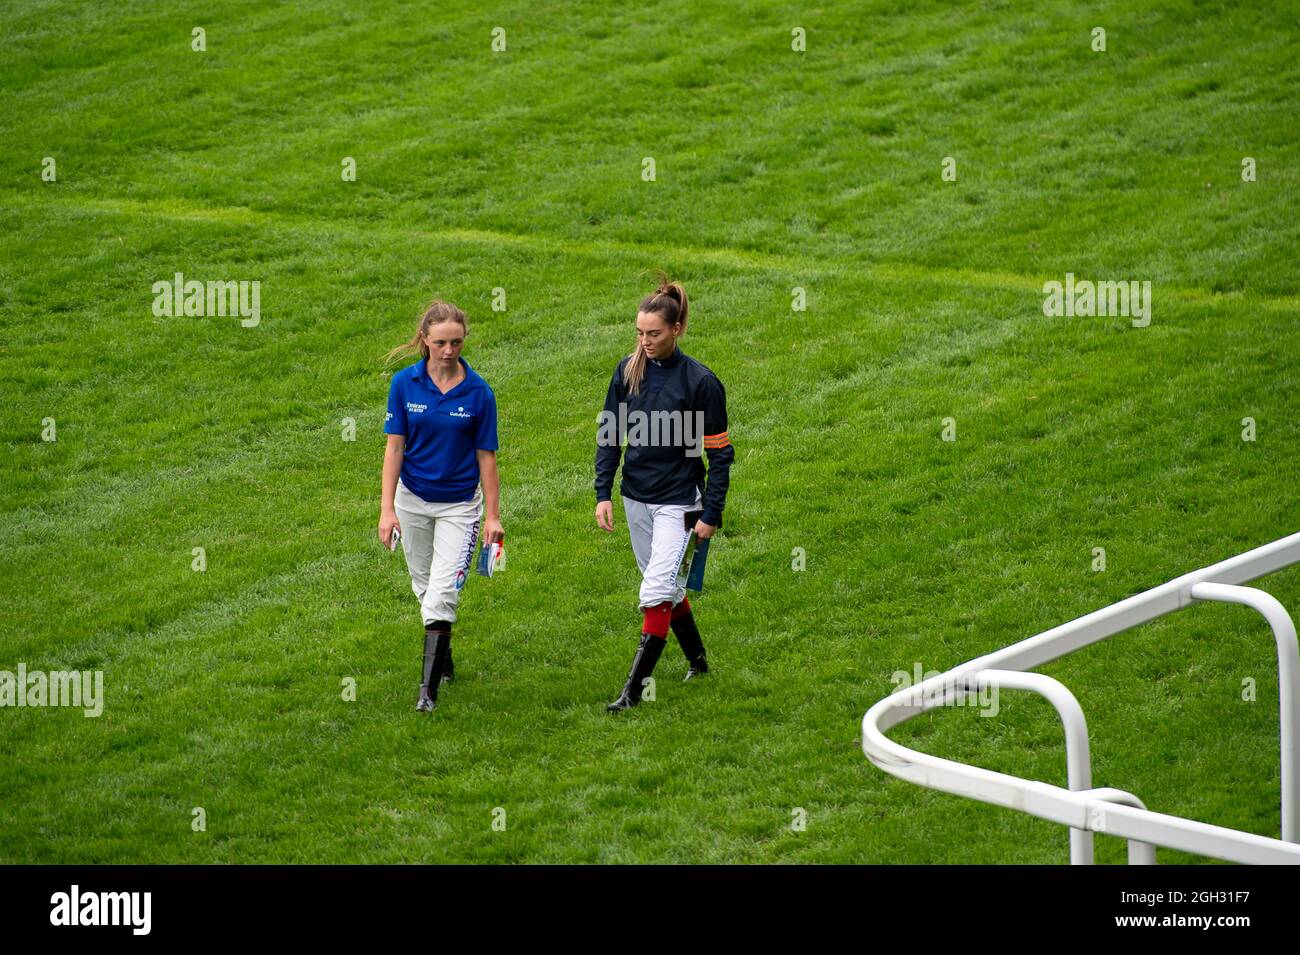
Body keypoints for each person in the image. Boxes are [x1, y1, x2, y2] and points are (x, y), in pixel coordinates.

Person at [594, 276, 734, 712]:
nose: (645, 341)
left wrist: (711, 513)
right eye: (639, 333)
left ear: (677, 330)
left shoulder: (701, 383)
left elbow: (720, 456)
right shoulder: (626, 370)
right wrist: (603, 492)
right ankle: (698, 660)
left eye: (653, 333)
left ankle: (631, 693)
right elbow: (609, 435)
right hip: (635, 497)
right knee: (668, 587)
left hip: (680, 503)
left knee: (655, 589)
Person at [379, 300, 504, 713]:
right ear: (424, 341)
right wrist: (387, 508)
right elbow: (394, 447)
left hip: (459, 507)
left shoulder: (480, 392)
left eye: (456, 342)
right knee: (423, 587)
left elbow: (487, 456)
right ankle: (444, 658)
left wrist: (492, 515)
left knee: (442, 592)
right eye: (440, 343)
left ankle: (427, 693)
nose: (449, 351)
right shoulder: (404, 384)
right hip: (411, 500)